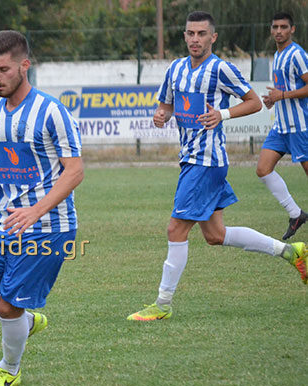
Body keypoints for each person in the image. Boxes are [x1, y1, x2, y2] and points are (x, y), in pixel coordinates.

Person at [128, 11, 308, 322]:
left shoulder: (220, 68)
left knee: (175, 228)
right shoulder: (176, 69)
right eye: (190, 33)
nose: (194, 39)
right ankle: (292, 252)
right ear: (184, 36)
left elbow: (253, 101)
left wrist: (222, 115)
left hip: (207, 161)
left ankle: (163, 303)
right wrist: (162, 115)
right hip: (191, 159)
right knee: (215, 235)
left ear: (213, 37)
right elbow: (167, 105)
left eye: (201, 34)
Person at [0, 30, 84, 386]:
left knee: (9, 306)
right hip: (6, 223)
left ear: (24, 66)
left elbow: (75, 171)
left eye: (4, 69)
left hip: (47, 228)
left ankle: (9, 370)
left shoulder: (51, 112)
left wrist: (35, 211)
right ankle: (25, 322)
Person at [258, 11, 308, 240]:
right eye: (275, 27)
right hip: (282, 126)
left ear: (292, 29)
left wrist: (283, 95)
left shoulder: (297, 54)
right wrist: (273, 99)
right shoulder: (277, 55)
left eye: (283, 27)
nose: (279, 31)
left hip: (300, 126)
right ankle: (296, 214)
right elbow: (282, 91)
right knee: (263, 169)